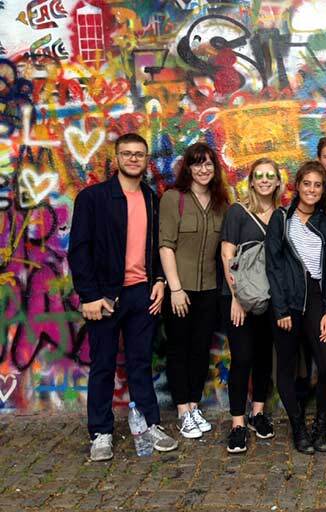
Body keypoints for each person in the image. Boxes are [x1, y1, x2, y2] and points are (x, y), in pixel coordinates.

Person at [68, 133, 178, 461]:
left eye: (139, 154)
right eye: (127, 154)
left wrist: (158, 280)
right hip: (105, 297)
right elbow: (79, 250)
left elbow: (157, 245)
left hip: (141, 295)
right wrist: (88, 295)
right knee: (102, 364)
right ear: (116, 158)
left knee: (140, 363)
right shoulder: (93, 198)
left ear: (146, 160)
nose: (133, 159)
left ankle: (149, 424)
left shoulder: (151, 197)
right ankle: (101, 432)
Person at [265, 161, 326, 454]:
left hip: (317, 299)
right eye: (307, 183)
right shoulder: (281, 219)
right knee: (286, 366)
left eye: (318, 185)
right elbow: (273, 265)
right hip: (287, 299)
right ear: (297, 185)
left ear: (323, 190)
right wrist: (281, 309)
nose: (311, 189)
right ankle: (298, 427)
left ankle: (321, 427)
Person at [159, 142, 229, 440]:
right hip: (180, 288)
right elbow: (166, 245)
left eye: (209, 164)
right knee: (179, 349)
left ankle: (194, 404)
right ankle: (183, 410)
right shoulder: (175, 199)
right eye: (197, 164)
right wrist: (174, 288)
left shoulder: (220, 203)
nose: (203, 169)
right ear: (188, 168)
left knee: (201, 349)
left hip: (209, 289)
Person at [220, 158, 283, 453]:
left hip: (270, 299)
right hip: (241, 300)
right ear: (252, 181)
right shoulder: (238, 212)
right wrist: (235, 298)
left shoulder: (282, 214)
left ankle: (258, 412)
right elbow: (226, 255)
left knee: (261, 358)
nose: (265, 180)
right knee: (242, 358)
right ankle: (237, 424)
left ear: (278, 181)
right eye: (260, 175)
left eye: (271, 175)